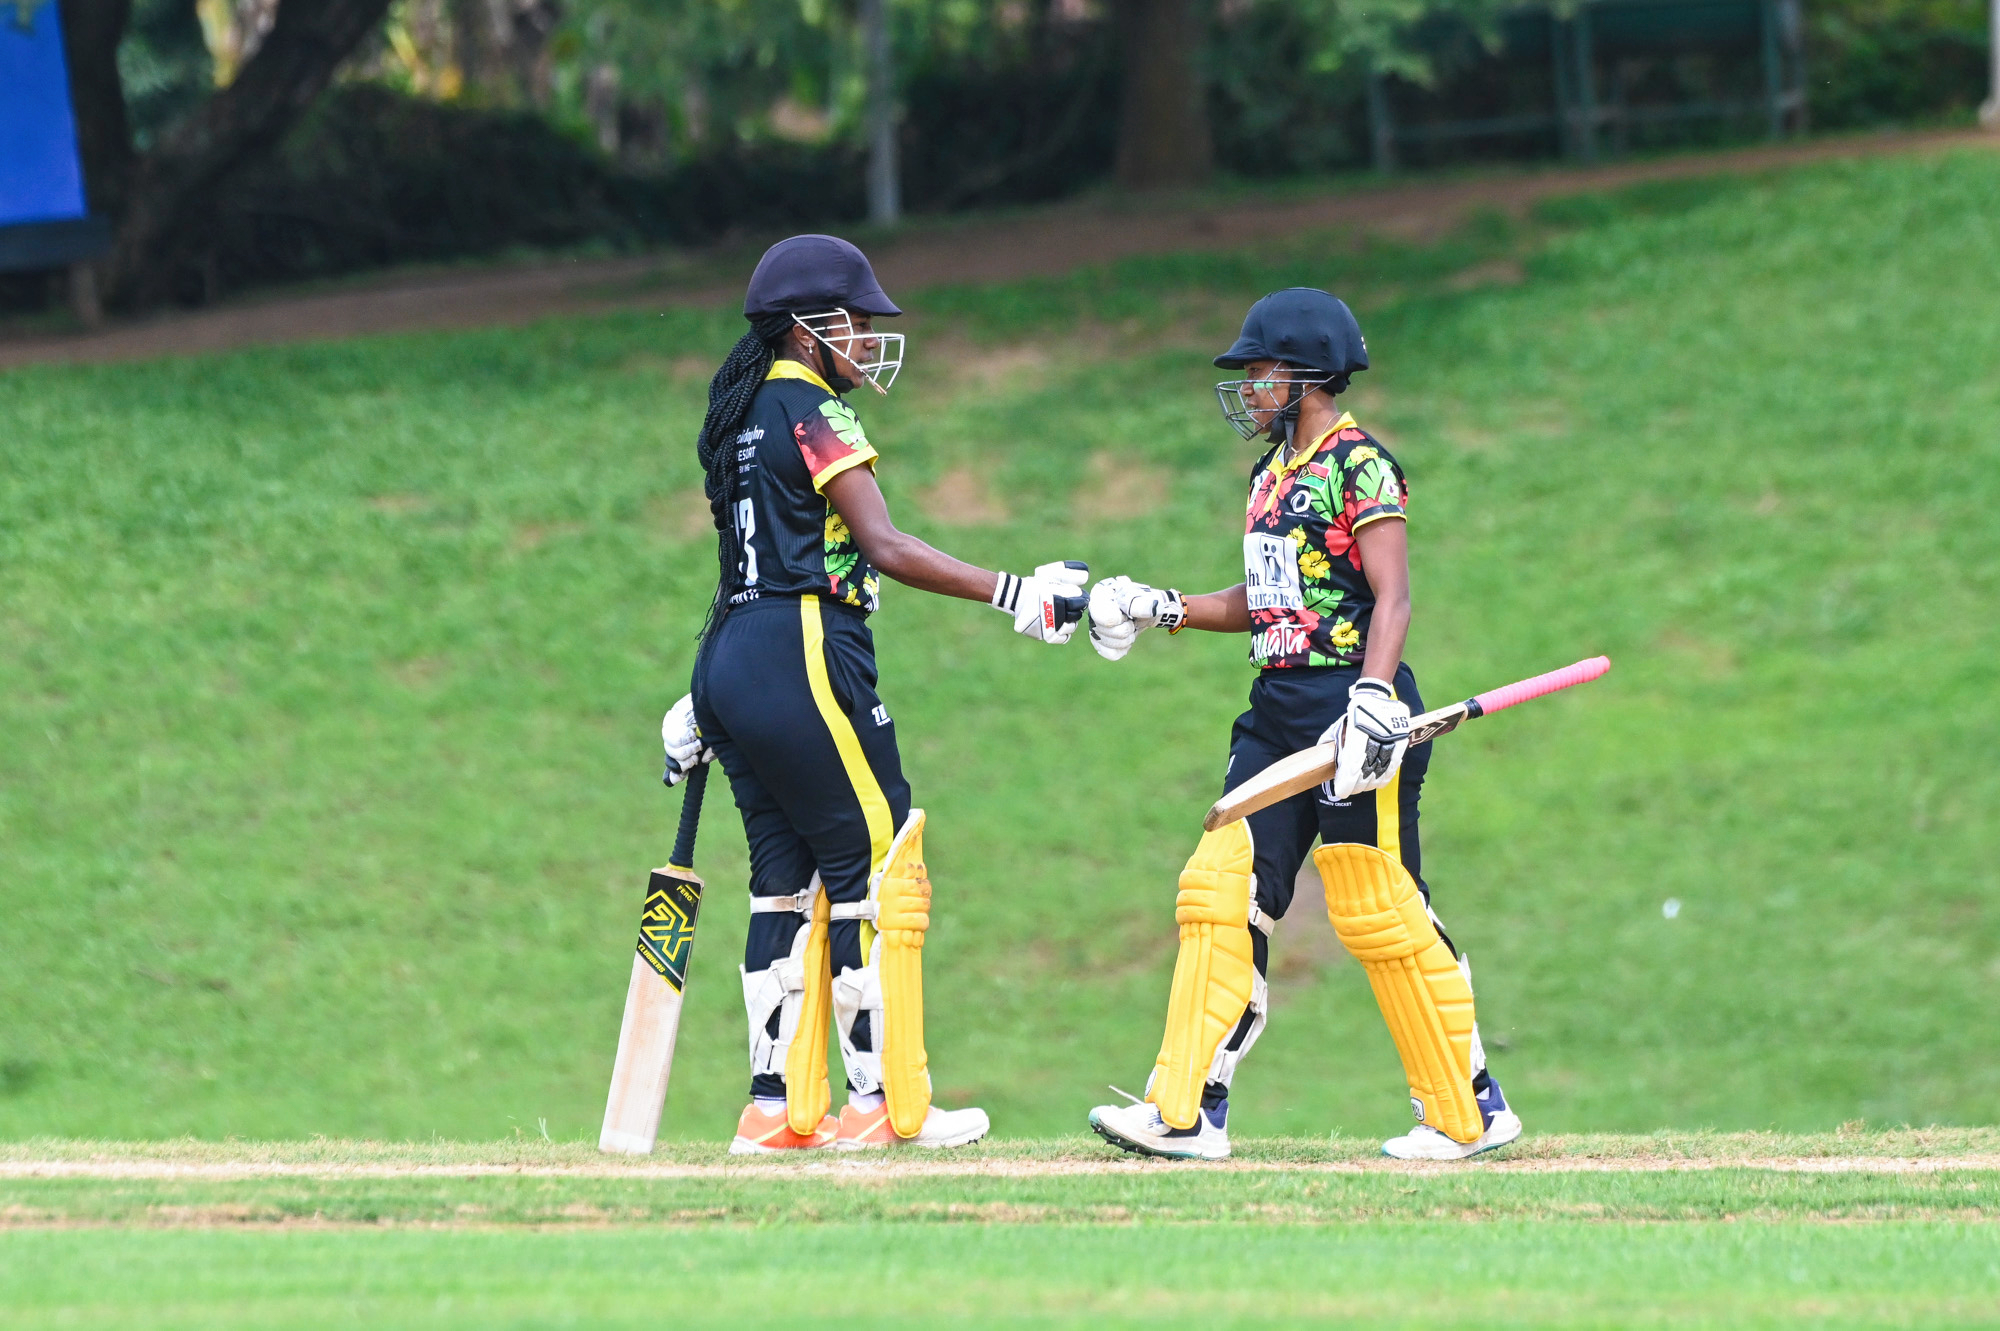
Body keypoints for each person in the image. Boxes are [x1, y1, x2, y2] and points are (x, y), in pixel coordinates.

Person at [660, 234, 1089, 1154]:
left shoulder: (741, 413)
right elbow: (884, 545)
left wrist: (704, 695)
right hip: (805, 644)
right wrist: (1014, 592)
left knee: (781, 881)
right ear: (807, 330)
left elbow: (745, 558)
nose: (866, 338)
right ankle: (882, 1104)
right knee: (877, 860)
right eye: (854, 322)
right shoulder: (813, 409)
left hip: (731, 653)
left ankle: (772, 1110)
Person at [1082, 288, 1522, 1161]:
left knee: (1377, 906)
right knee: (1218, 889)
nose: (1248, 389)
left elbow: (1392, 596)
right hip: (1276, 710)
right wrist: (1163, 605)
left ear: (1308, 375)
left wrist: (1374, 697)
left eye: (1260, 372)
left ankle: (1468, 1112)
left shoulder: (1362, 465)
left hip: (1355, 711)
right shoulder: (1269, 476)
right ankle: (1185, 1112)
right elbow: (1269, 600)